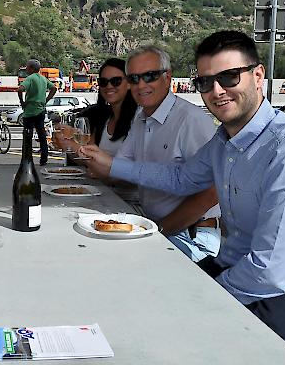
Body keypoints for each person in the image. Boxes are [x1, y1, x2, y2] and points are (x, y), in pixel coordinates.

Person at [81, 31, 285, 350]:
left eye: (229, 77)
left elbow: (270, 272)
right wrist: (111, 164)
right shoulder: (223, 140)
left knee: (171, 334)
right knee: (133, 290)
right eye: (206, 82)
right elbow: (181, 178)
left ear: (258, 76)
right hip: (231, 267)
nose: (217, 91)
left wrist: (202, 296)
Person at [86, 46, 222, 262]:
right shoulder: (140, 119)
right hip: (153, 224)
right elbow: (116, 170)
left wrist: (160, 230)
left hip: (192, 234)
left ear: (167, 78)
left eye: (150, 76)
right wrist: (79, 149)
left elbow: (211, 193)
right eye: (134, 78)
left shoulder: (190, 119)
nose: (141, 85)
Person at [52, 58, 139, 203]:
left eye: (116, 81)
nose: (109, 86)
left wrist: (74, 146)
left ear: (129, 83)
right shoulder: (104, 118)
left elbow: (133, 176)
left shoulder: (139, 120)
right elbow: (86, 161)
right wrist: (67, 143)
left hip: (130, 204)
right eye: (103, 82)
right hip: (102, 196)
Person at [18, 59, 57, 166]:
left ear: (31, 68)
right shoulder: (43, 79)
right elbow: (53, 88)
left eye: (27, 67)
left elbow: (20, 89)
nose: (26, 68)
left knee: (27, 135)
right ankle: (44, 158)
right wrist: (46, 100)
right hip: (41, 110)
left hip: (30, 111)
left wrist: (23, 102)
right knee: (42, 134)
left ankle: (27, 158)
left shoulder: (30, 78)